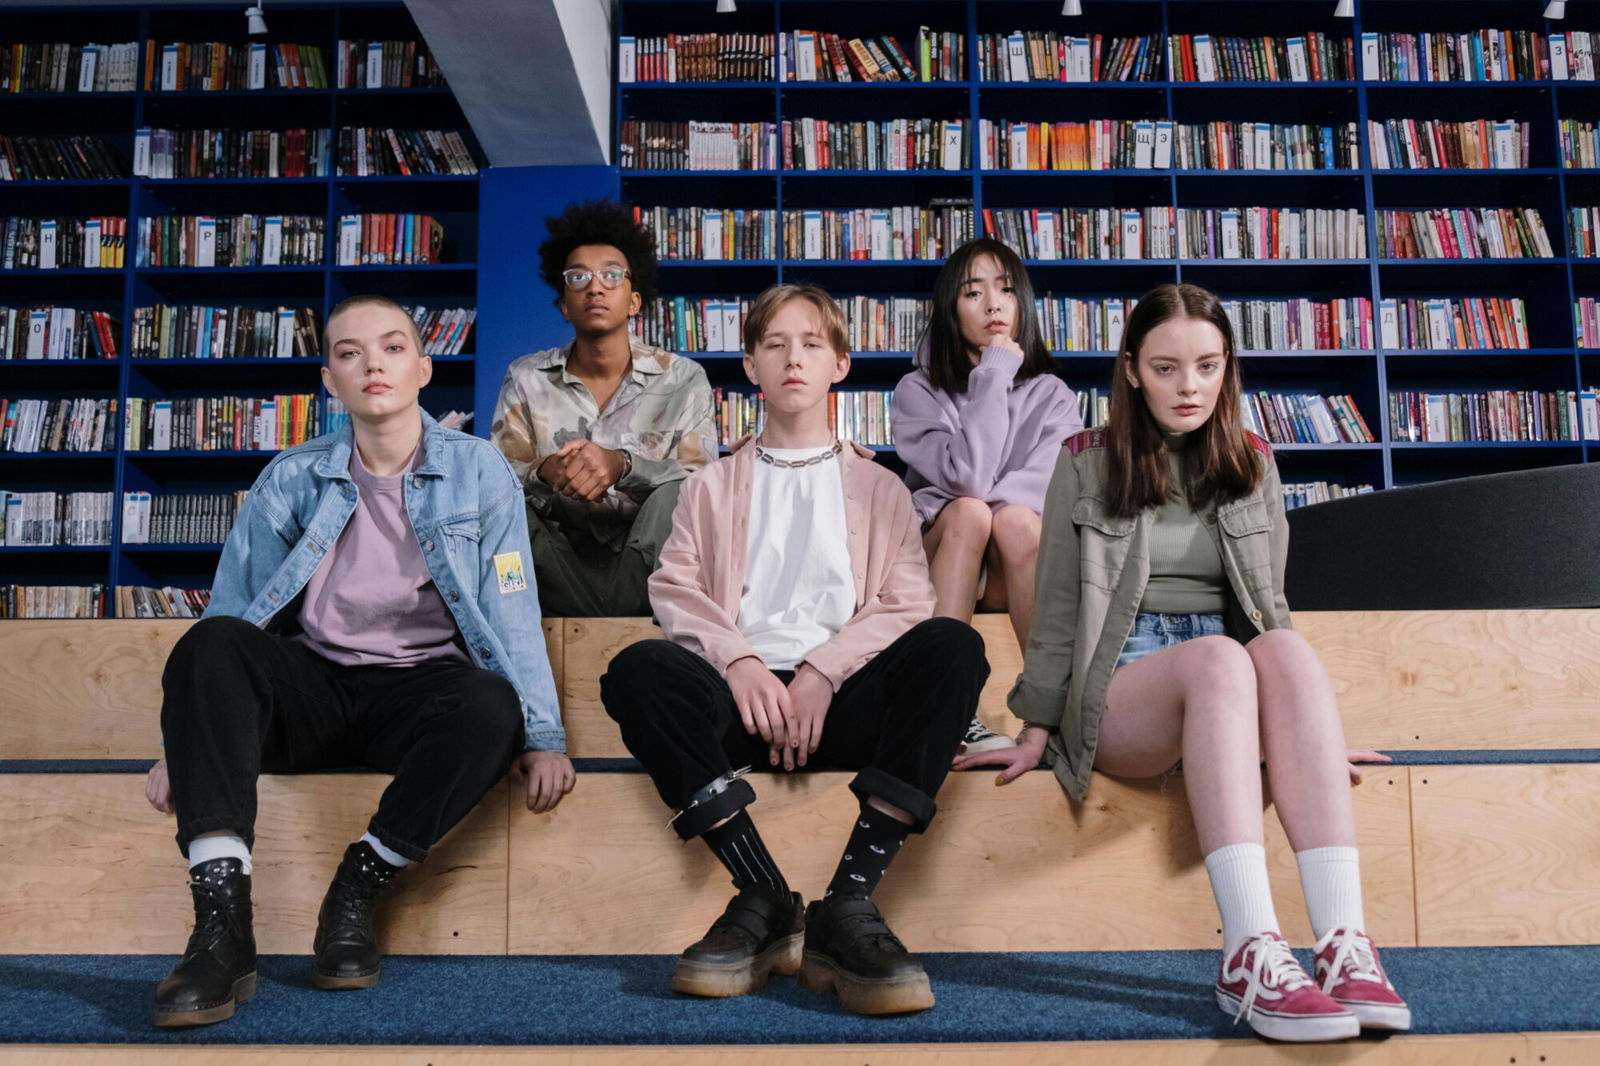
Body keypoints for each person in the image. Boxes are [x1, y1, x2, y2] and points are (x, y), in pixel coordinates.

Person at [958, 283, 1410, 1042]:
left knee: (1283, 648)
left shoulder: (1254, 463)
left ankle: (1343, 946)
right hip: (1124, 682)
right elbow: (1059, 608)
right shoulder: (1085, 462)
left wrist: (1311, 735)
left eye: (1207, 366)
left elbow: (1270, 608)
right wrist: (1036, 725)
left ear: (1227, 366)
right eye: (1166, 368)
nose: (1189, 386)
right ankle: (1250, 951)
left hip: (1228, 686)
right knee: (1220, 661)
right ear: (1133, 371)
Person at [144, 294, 572, 1028]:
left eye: (392, 348)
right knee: (209, 642)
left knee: (489, 704)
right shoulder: (291, 477)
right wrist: (186, 744)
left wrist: (543, 735)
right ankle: (221, 929)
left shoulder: (481, 473)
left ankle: (358, 888)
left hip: (421, 698)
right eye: (349, 353)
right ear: (329, 381)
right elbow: (235, 610)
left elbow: (513, 607)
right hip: (312, 691)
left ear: (423, 368)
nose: (373, 363)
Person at [600, 283, 989, 1015]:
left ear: (840, 364)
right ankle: (763, 892)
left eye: (812, 343)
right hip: (741, 705)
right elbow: (676, 590)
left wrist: (822, 672)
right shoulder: (708, 487)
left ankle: (847, 904)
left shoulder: (881, 488)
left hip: (845, 703)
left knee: (953, 647)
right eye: (774, 345)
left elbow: (906, 601)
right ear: (751, 366)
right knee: (636, 670)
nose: (793, 359)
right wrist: (741, 663)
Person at [894, 237, 1083, 756]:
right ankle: (946, 711)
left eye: (1005, 290)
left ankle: (1050, 713)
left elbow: (1043, 496)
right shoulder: (917, 391)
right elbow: (970, 481)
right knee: (969, 513)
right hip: (942, 557)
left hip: (1010, 564)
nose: (993, 304)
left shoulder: (1053, 396)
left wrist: (982, 508)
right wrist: (994, 374)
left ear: (1023, 303)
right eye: (973, 293)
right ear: (951, 311)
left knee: (1015, 520)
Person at [491, 199, 718, 617]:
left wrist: (624, 466)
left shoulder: (683, 379)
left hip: (649, 565)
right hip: (553, 567)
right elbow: (493, 483)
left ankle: (605, 627)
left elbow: (705, 487)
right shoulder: (526, 377)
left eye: (612, 275)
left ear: (634, 301)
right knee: (501, 509)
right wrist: (544, 471)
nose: (595, 287)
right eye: (578, 277)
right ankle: (605, 630)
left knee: (679, 496)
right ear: (564, 304)